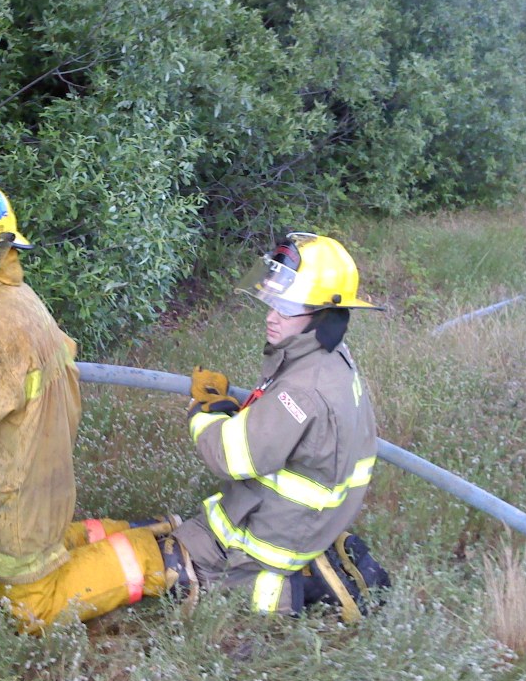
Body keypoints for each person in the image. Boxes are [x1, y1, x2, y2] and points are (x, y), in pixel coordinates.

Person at [0, 177, 180, 633]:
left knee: (33, 611)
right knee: (45, 550)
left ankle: (163, 557)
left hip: (16, 497)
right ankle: (133, 531)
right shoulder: (13, 300)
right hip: (34, 484)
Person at [163, 232, 384, 615]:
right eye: (273, 302)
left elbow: (229, 457)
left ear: (323, 314)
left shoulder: (302, 390)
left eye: (287, 307)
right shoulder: (331, 360)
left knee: (178, 574)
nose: (271, 315)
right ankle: (317, 569)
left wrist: (204, 411)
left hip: (273, 537)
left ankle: (314, 591)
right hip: (312, 522)